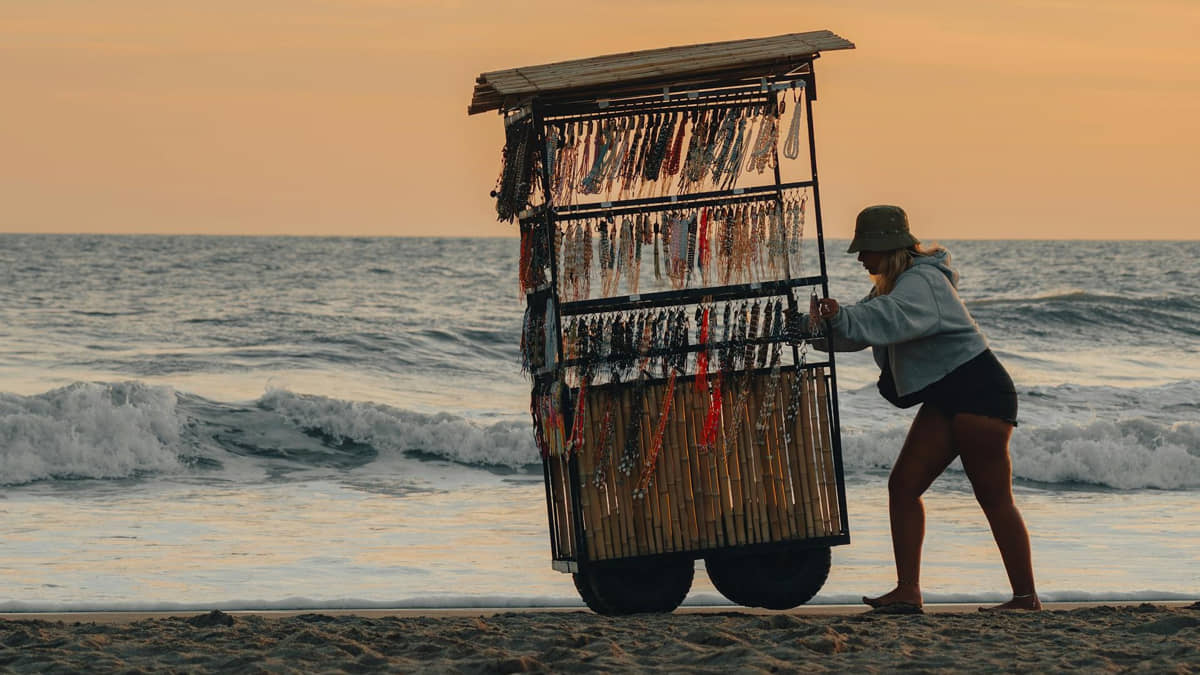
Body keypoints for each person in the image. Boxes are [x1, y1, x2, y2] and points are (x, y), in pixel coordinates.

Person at [802, 204, 1039, 613]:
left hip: (981, 393)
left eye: (865, 250)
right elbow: (865, 328)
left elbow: (883, 319)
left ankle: (1025, 598)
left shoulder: (923, 283)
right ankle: (907, 590)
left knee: (994, 498)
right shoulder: (893, 285)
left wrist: (840, 316)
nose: (860, 258)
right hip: (949, 395)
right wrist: (815, 330)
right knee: (903, 487)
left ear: (885, 247)